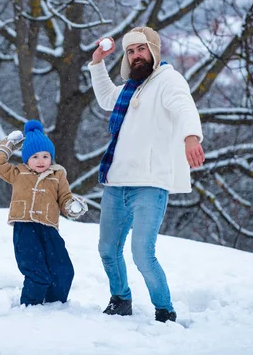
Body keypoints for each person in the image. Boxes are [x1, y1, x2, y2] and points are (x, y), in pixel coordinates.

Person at [88, 26, 205, 323]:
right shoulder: (130, 88)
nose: (136, 55)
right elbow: (105, 98)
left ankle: (164, 310)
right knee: (107, 249)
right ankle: (120, 299)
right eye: (130, 51)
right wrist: (98, 63)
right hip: (117, 183)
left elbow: (183, 106)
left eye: (141, 49)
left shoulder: (168, 80)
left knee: (142, 253)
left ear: (153, 50)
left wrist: (191, 136)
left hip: (150, 185)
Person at [0, 119, 88, 306]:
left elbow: (65, 198)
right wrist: (8, 144)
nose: (41, 161)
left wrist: (72, 206)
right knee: (36, 270)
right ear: (27, 159)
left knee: (63, 269)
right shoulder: (18, 172)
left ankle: (55, 304)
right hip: (25, 227)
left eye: (45, 156)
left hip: (49, 228)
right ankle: (31, 305)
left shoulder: (58, 175)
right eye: (35, 157)